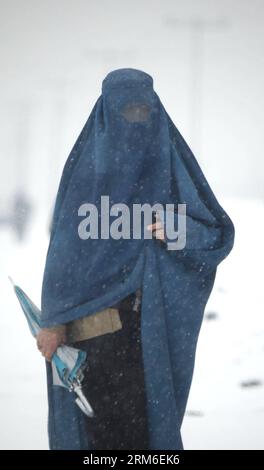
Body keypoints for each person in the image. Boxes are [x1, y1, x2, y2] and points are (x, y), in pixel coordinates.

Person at [38, 68, 235, 450]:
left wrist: (178, 229)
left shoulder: (171, 164)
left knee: (147, 436)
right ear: (105, 114)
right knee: (96, 438)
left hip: (153, 334)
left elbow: (217, 234)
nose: (135, 120)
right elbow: (63, 254)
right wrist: (53, 320)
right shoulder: (85, 175)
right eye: (125, 111)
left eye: (142, 111)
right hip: (89, 336)